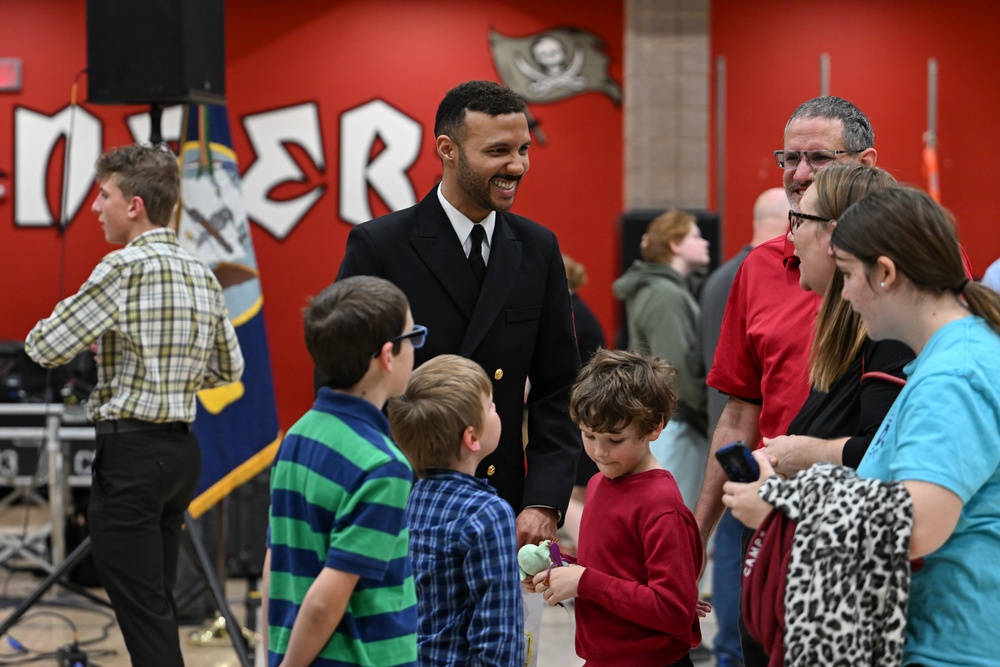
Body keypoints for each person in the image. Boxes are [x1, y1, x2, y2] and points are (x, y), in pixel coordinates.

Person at [726, 186, 1000, 667]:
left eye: (849, 275)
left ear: (886, 274)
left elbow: (920, 521)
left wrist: (782, 505)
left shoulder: (953, 376)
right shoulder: (949, 359)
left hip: (949, 646)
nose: (844, 293)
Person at [23, 143, 244, 666]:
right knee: (156, 603)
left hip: (131, 457)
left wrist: (109, 341)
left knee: (145, 617)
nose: (96, 207)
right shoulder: (201, 272)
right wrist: (169, 369)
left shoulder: (121, 269)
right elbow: (229, 370)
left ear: (135, 205)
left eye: (104, 196)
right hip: (180, 455)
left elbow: (44, 346)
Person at [336, 80, 581, 547]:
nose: (517, 166)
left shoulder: (538, 247)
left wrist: (544, 499)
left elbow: (558, 386)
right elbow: (347, 383)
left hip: (505, 508)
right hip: (402, 504)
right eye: (499, 151)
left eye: (524, 149)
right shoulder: (380, 246)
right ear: (447, 150)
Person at [692, 96, 877, 548]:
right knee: (749, 621)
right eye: (790, 158)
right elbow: (738, 415)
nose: (798, 173)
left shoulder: (907, 266)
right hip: (764, 505)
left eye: (817, 157)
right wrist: (699, 534)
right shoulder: (759, 268)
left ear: (865, 162)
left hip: (867, 514)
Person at [262, 276, 419, 666]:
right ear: (388, 356)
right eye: (412, 336)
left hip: (294, 649)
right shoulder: (383, 467)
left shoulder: (299, 435)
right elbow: (326, 598)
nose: (415, 348)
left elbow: (275, 558)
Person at [530, 348, 704, 667]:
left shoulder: (661, 504)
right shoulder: (599, 483)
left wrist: (584, 582)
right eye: (589, 435)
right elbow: (614, 568)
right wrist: (559, 568)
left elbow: (675, 612)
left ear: (654, 426)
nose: (600, 452)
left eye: (615, 439)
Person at [760, 164, 911, 478]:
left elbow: (890, 458)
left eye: (798, 220)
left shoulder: (892, 336)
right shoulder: (856, 336)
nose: (791, 235)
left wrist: (802, 453)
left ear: (835, 236)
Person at [697, 186, 787, 667]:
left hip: (728, 439)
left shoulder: (715, 281)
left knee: (733, 555)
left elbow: (700, 367)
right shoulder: (752, 274)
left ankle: (732, 650)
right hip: (759, 450)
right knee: (742, 557)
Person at [388, 354, 523, 667]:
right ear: (472, 437)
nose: (496, 409)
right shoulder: (489, 515)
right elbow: (499, 637)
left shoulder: (405, 501)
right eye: (491, 406)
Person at [613, 209, 711, 508]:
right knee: (677, 516)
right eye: (695, 236)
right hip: (678, 427)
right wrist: (712, 416)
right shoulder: (665, 294)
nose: (705, 242)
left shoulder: (661, 290)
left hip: (673, 425)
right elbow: (675, 370)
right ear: (675, 245)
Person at [560, 253, 606, 550]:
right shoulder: (576, 308)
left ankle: (587, 547)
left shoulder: (572, 312)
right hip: (583, 405)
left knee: (577, 492)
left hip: (579, 409)